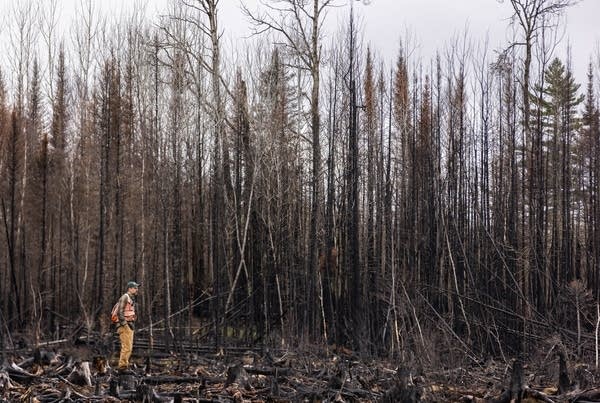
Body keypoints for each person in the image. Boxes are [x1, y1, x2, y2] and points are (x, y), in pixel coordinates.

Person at [116, 281, 139, 373]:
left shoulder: (130, 298)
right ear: (130, 288)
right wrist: (125, 324)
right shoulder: (125, 297)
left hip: (130, 325)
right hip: (125, 326)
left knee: (129, 347)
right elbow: (119, 312)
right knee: (126, 347)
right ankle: (122, 367)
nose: (137, 289)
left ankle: (125, 365)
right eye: (135, 287)